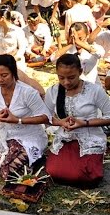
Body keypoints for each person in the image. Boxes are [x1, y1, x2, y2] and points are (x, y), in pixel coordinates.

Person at [0, 55, 51, 180]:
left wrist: (18, 120)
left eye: (4, 75)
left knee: (10, 172)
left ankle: (35, 158)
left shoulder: (28, 92)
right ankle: (26, 162)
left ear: (13, 73)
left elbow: (45, 117)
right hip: (6, 137)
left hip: (29, 137)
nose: (0, 80)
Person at [45, 54, 110, 187]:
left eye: (71, 77)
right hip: (65, 138)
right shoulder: (53, 91)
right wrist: (60, 122)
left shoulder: (94, 90)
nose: (66, 82)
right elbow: (45, 116)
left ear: (80, 72)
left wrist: (84, 123)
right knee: (53, 172)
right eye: (61, 78)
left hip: (89, 137)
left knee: (87, 175)